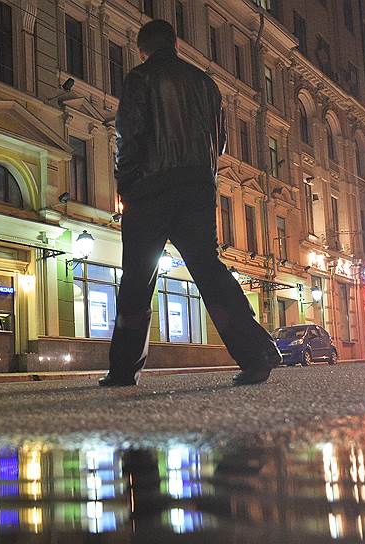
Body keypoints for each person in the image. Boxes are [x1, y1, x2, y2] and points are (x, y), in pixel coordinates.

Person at [101, 20, 281, 387]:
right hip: (197, 189)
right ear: (176, 45)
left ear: (142, 50)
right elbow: (221, 142)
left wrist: (125, 184)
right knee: (210, 273)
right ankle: (256, 352)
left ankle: (123, 370)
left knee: (137, 280)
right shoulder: (205, 84)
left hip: (150, 188)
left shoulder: (140, 77)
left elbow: (128, 135)